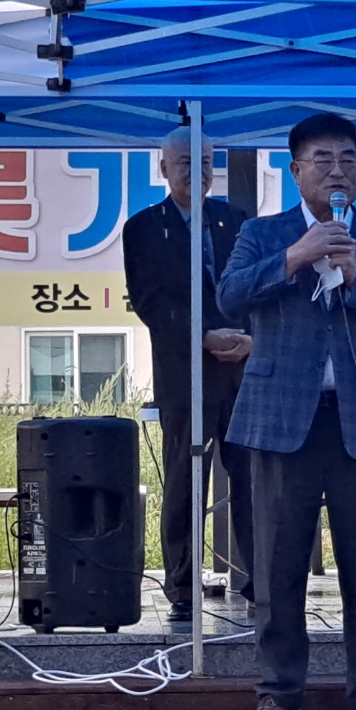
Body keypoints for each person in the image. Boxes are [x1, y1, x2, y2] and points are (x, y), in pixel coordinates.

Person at [217, 113, 356, 710]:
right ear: (296, 170)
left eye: (348, 160)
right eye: (324, 160)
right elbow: (229, 297)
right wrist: (296, 256)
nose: (338, 171)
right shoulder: (262, 233)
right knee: (277, 568)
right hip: (282, 421)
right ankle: (279, 699)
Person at [123, 128, 255, 623]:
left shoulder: (235, 220)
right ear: (163, 168)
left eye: (204, 161)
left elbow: (255, 287)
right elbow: (150, 302)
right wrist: (203, 337)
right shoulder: (143, 228)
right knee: (185, 482)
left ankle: (260, 582)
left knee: (253, 478)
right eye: (184, 161)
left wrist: (248, 338)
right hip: (185, 373)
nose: (196, 170)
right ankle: (182, 587)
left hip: (242, 371)